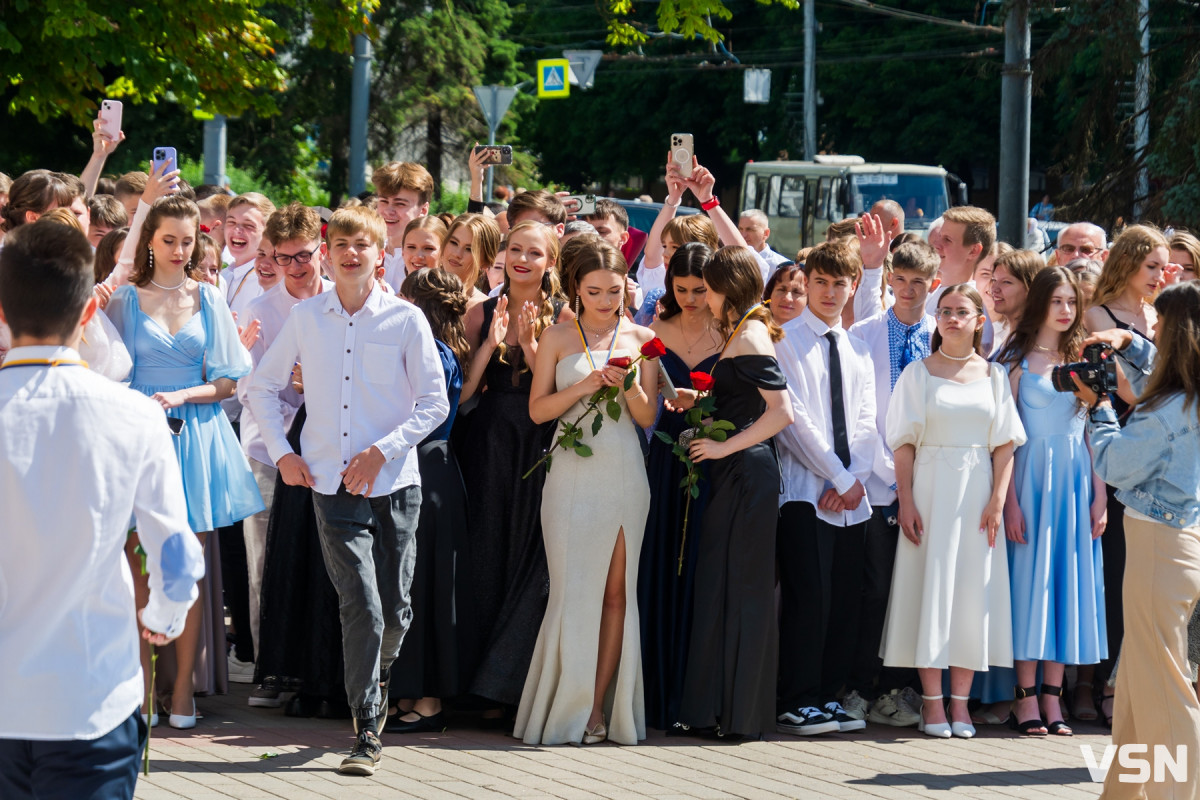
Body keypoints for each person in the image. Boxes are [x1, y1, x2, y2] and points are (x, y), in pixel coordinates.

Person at [0, 220, 205, 800]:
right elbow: (175, 551)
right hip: (90, 696)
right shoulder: (134, 415)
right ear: (89, 313)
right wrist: (164, 619)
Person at [246, 205, 448, 776]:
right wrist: (284, 454)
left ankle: (377, 679)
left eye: (363, 245)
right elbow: (260, 387)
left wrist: (383, 450)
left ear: (379, 253)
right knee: (360, 601)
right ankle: (366, 727)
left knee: (397, 609)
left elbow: (434, 403)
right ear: (328, 251)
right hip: (329, 485)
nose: (351, 253)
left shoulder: (407, 320)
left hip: (394, 482)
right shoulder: (307, 318)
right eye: (341, 245)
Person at [105, 195, 265, 726]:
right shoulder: (124, 300)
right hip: (138, 437)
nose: (178, 250)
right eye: (168, 239)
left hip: (195, 437)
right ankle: (145, 691)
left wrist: (182, 396)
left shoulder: (210, 298)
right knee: (139, 567)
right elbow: (106, 371)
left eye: (188, 240)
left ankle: (182, 695)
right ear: (149, 239)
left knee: (189, 572)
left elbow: (227, 380)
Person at [516, 238, 657, 746]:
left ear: (626, 288)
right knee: (572, 593)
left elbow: (645, 418)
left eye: (614, 291)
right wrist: (585, 385)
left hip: (623, 474)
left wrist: (631, 387)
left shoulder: (643, 336)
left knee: (617, 595)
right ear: (576, 287)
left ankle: (598, 709)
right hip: (570, 473)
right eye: (594, 290)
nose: (604, 300)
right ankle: (563, 705)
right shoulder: (556, 337)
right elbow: (537, 412)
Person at [879, 284, 1026, 740]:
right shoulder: (917, 374)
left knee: (969, 595)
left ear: (980, 319)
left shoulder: (996, 376)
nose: (952, 319)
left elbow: (1005, 444)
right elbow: (902, 443)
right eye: (944, 311)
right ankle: (932, 703)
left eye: (962, 312)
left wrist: (998, 500)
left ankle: (961, 704)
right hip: (930, 488)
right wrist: (905, 500)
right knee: (931, 589)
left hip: (978, 491)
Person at [1071, 281, 1200, 796]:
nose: (1150, 331)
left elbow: (1117, 464)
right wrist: (1129, 343)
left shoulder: (1169, 410)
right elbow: (1162, 376)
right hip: (1178, 543)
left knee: (1163, 688)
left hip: (1159, 547)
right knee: (1138, 686)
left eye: (1156, 327)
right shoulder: (1186, 394)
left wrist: (1098, 405)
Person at [676, 246, 794, 739]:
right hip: (737, 474)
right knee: (720, 585)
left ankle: (739, 717)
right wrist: (699, 400)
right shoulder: (743, 329)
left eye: (707, 286)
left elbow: (781, 412)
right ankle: (716, 711)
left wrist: (724, 450)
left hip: (747, 474)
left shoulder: (749, 334)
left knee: (742, 590)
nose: (701, 295)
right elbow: (743, 398)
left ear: (726, 287)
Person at [457, 220, 570, 716]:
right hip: (488, 444)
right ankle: (476, 685)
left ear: (551, 261)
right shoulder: (479, 311)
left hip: (543, 441)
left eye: (534, 253)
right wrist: (491, 342)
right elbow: (459, 396)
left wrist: (529, 345)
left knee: (533, 555)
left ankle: (514, 688)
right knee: (485, 553)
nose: (523, 260)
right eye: (515, 250)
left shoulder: (568, 315)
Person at [994, 267, 1108, 737]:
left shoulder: (1086, 359)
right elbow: (1006, 442)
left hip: (1076, 485)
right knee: (1029, 588)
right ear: (1040, 303)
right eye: (1057, 301)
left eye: (1071, 303)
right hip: (1029, 485)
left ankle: (1054, 700)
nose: (1065, 311)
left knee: (1065, 588)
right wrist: (1010, 504)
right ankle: (1024, 701)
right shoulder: (1013, 363)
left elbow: (1092, 433)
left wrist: (1099, 495)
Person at [774, 240, 878, 736]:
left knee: (843, 600)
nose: (831, 291)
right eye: (821, 282)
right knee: (807, 597)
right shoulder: (785, 340)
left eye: (841, 283)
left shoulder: (856, 346)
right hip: (805, 492)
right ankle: (797, 698)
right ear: (806, 283)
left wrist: (854, 477)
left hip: (850, 499)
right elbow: (794, 423)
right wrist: (837, 477)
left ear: (854, 286)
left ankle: (829, 695)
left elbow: (865, 419)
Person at [235, 203, 332, 707]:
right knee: (263, 565)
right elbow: (254, 389)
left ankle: (309, 667)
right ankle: (267, 671)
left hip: (325, 450)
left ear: (320, 249)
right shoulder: (260, 310)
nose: (295, 267)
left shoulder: (342, 300)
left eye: (303, 256)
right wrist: (295, 388)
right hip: (268, 452)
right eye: (283, 257)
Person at [846, 240, 941, 728]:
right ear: (888, 281)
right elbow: (861, 414)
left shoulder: (943, 335)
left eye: (918, 282)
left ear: (934, 284)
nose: (908, 290)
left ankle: (897, 687)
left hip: (932, 485)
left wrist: (922, 482)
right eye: (899, 280)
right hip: (880, 483)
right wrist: (891, 477)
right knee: (876, 588)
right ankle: (860, 686)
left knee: (916, 591)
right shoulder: (864, 333)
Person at [1082, 224, 1167, 725]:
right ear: (1128, 263)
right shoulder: (1099, 314)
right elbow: (1132, 392)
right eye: (1150, 266)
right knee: (1118, 574)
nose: (1159, 275)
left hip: (1166, 457)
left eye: (1162, 267)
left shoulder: (1160, 314)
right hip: (1119, 447)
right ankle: (1109, 684)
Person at [388, 268, 477, 734]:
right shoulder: (441, 351)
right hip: (433, 469)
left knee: (428, 587)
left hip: (426, 471)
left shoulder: (432, 355)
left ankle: (428, 701)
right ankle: (413, 692)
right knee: (419, 585)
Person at [639, 242, 723, 730]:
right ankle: (655, 693)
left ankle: (695, 696)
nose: (691, 298)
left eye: (701, 289)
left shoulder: (729, 331)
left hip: (713, 457)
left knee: (702, 570)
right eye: (682, 289)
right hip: (666, 456)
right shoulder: (655, 332)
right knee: (661, 562)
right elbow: (647, 409)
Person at [927, 206, 996, 353]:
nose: (936, 245)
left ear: (973, 251)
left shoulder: (975, 312)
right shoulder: (928, 294)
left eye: (947, 240)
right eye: (939, 237)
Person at [372, 161, 434, 291]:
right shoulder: (367, 251)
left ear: (423, 210)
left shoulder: (429, 260)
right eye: (384, 201)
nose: (388, 211)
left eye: (400, 204)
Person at [989, 249, 1044, 355]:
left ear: (1030, 288)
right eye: (994, 280)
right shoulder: (1011, 336)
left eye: (1006, 282)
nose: (994, 288)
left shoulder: (1038, 343)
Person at [441, 213, 499, 312]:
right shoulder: (418, 294)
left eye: (469, 249)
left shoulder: (489, 310)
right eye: (454, 243)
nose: (457, 254)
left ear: (485, 260)